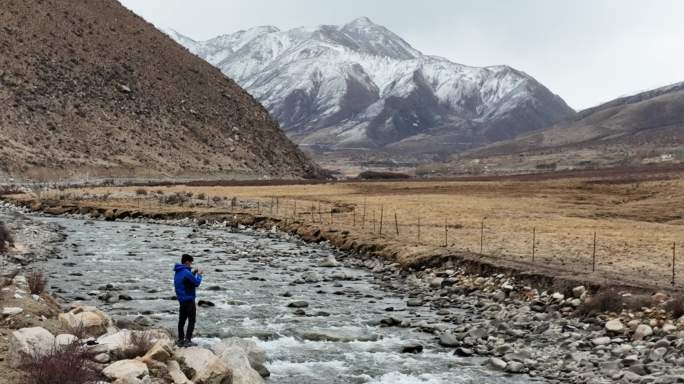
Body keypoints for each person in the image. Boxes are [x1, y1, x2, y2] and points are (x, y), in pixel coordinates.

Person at [174, 254, 203, 347]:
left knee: (181, 321)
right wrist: (199, 274)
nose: (191, 265)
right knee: (191, 320)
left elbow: (186, 281)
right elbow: (196, 283)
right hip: (189, 299)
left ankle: (180, 340)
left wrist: (193, 273)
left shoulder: (178, 271)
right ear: (187, 262)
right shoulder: (186, 273)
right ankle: (188, 340)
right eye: (190, 263)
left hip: (181, 300)